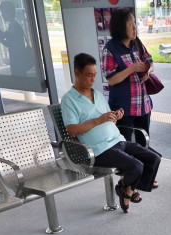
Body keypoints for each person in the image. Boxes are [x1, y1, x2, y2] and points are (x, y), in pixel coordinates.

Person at [61, 53, 161, 213]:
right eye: (88, 75)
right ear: (77, 73)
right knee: (136, 166)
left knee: (153, 158)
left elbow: (108, 119)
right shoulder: (69, 100)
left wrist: (115, 116)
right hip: (99, 149)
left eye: (94, 75)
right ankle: (128, 190)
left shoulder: (98, 94)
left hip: (117, 140)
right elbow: (71, 130)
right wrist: (98, 120)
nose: (92, 80)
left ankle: (127, 189)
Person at [101, 8, 159, 188]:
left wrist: (148, 71)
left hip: (142, 104)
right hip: (123, 107)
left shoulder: (138, 43)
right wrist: (132, 69)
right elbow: (111, 79)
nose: (135, 26)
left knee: (144, 141)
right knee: (124, 144)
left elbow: (151, 63)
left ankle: (146, 177)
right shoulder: (110, 49)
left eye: (135, 22)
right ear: (120, 26)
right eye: (130, 23)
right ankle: (126, 180)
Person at [0, 1, 32, 75]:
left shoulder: (14, 26)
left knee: (19, 78)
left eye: (3, 13)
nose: (2, 15)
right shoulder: (14, 25)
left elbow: (4, 38)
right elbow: (4, 37)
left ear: (8, 12)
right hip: (17, 59)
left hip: (17, 60)